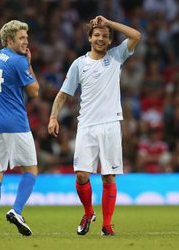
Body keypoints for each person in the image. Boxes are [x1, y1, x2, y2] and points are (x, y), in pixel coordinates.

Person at [48, 15, 141, 236]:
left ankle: (106, 225)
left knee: (108, 176)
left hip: (110, 125)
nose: (101, 39)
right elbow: (62, 95)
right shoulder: (79, 64)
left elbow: (136, 35)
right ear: (90, 38)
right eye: (97, 35)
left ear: (109, 41)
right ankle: (88, 212)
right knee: (81, 175)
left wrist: (109, 23)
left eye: (105, 36)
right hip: (86, 126)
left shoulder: (116, 56)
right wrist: (53, 117)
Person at [0, 20, 39, 238]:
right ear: (9, 40)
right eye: (22, 38)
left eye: (26, 38)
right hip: (15, 123)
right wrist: (29, 63)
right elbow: (35, 91)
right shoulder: (18, 61)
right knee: (31, 170)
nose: (26, 42)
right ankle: (17, 210)